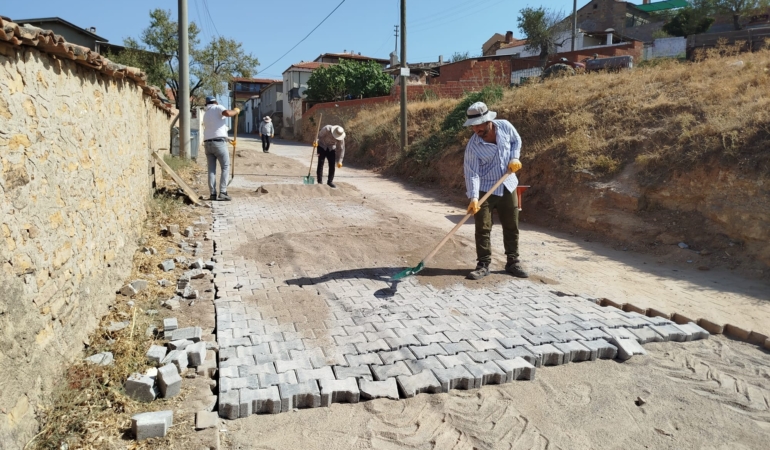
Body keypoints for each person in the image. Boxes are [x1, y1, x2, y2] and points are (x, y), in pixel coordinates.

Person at [463, 101, 528, 280]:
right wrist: (474, 197)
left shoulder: (505, 127)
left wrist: (515, 158)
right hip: (485, 190)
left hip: (508, 185)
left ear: (488, 121)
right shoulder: (473, 146)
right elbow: (472, 173)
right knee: (483, 227)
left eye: (478, 125)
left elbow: (517, 141)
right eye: (473, 127)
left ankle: (513, 261)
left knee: (511, 225)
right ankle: (483, 264)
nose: (476, 130)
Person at [202, 96, 240, 201]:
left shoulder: (206, 113)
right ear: (215, 101)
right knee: (225, 167)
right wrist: (236, 112)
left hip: (207, 144)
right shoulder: (218, 107)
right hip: (218, 143)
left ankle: (213, 194)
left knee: (211, 170)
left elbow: (215, 129)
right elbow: (227, 113)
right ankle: (223, 192)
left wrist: (228, 139)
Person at [313, 125, 345, 189]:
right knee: (321, 162)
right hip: (322, 146)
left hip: (331, 148)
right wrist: (315, 141)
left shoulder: (341, 137)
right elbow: (318, 136)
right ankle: (320, 181)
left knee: (332, 164)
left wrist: (340, 161)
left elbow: (341, 148)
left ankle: (330, 181)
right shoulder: (326, 129)